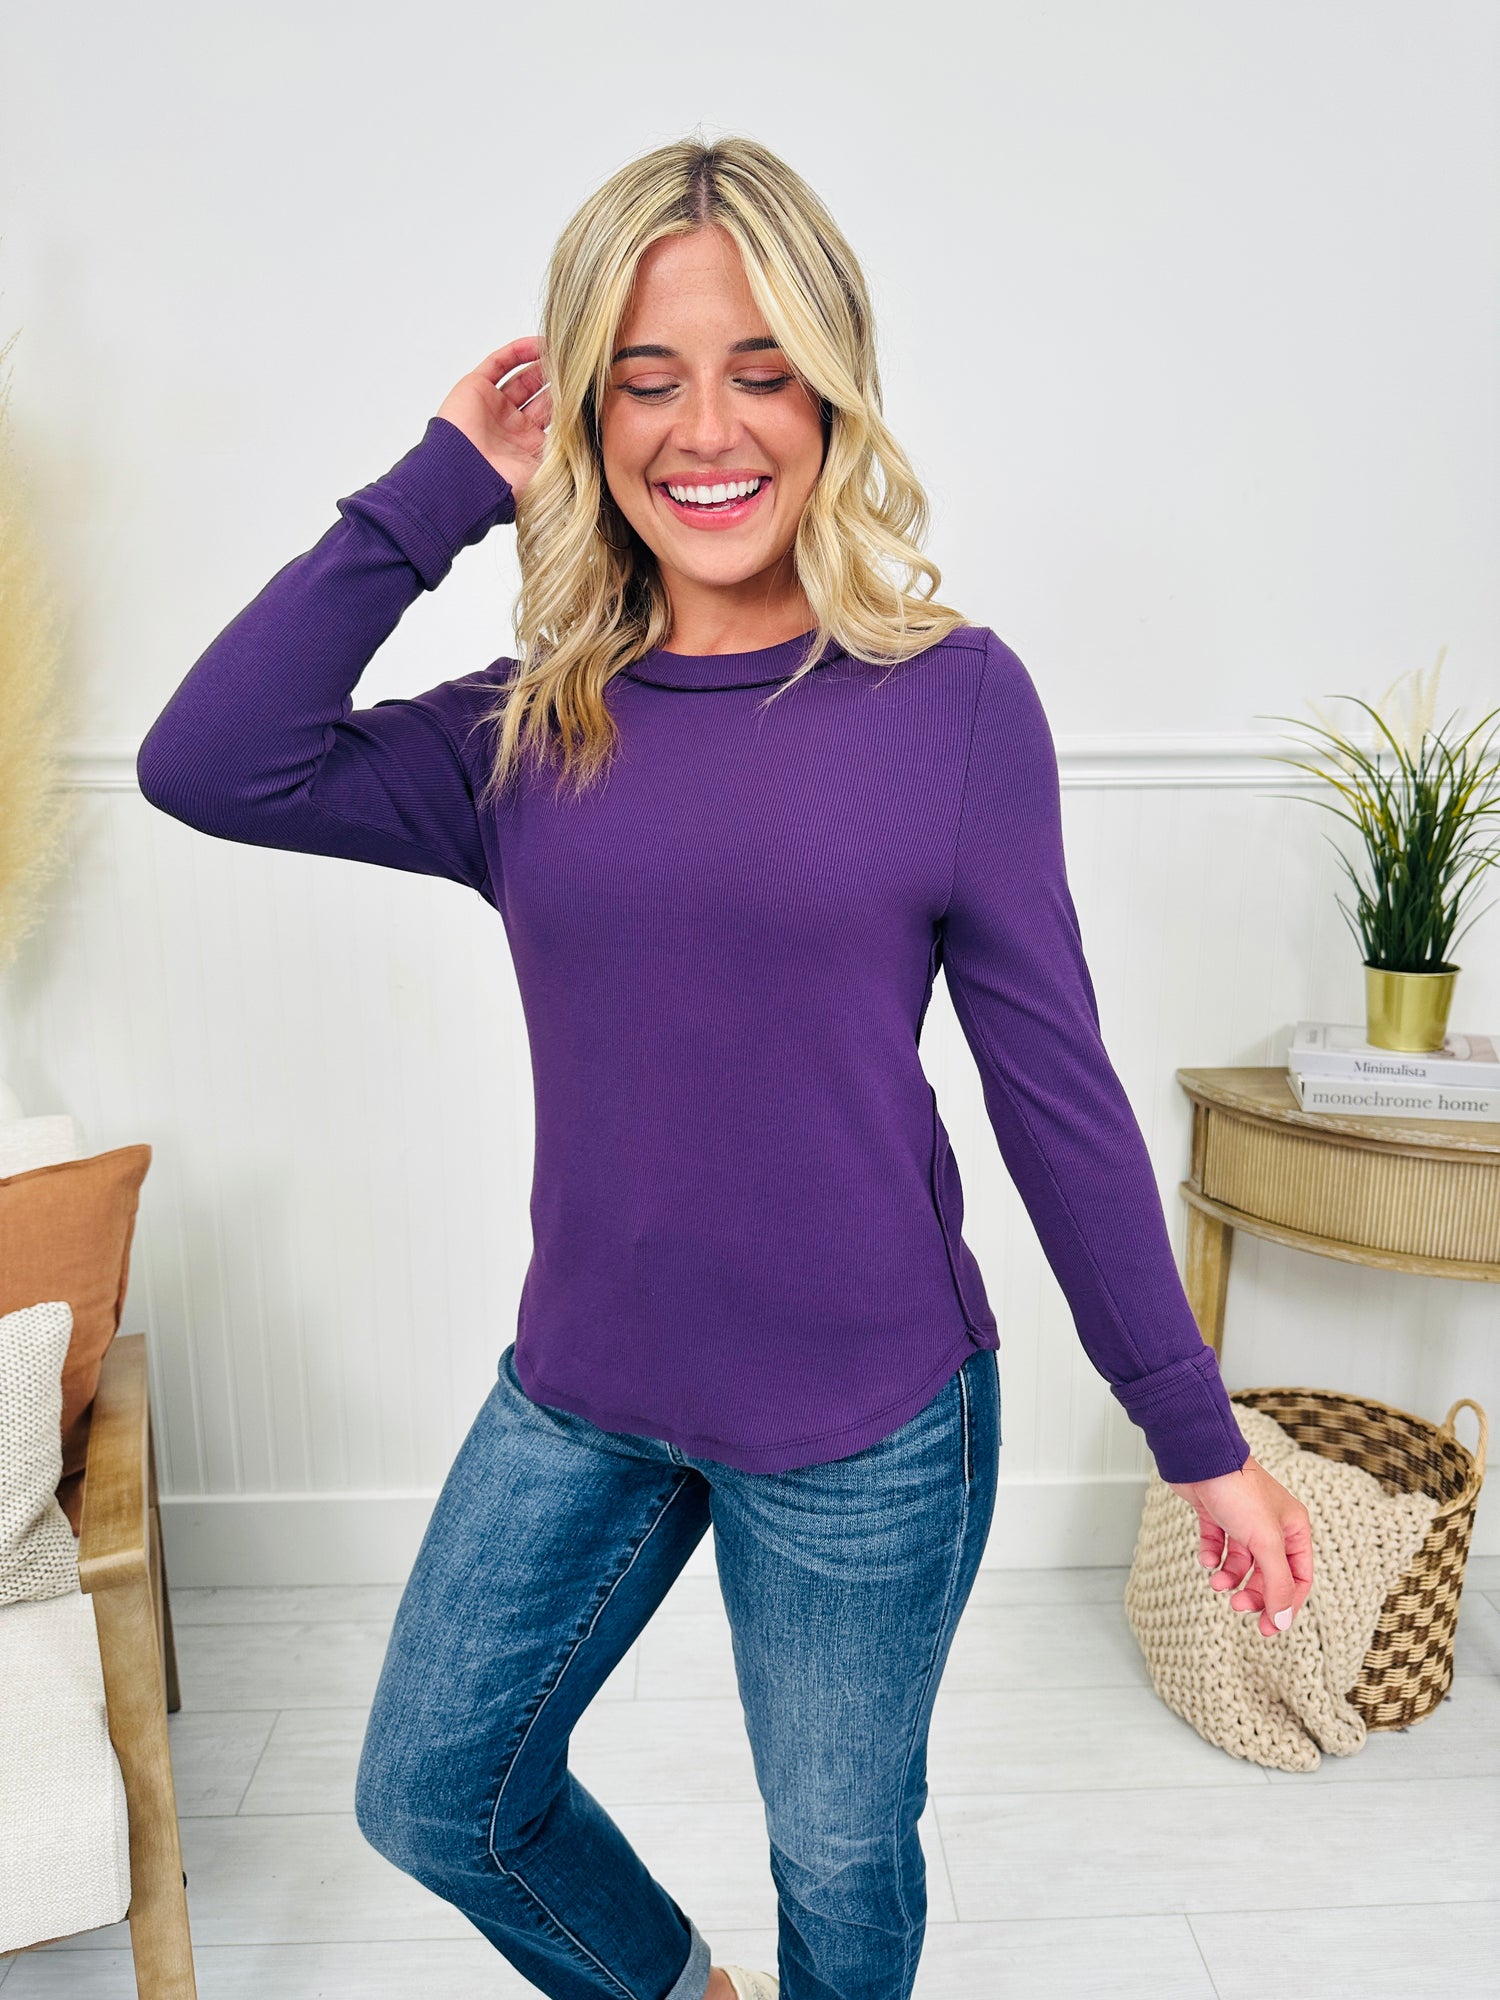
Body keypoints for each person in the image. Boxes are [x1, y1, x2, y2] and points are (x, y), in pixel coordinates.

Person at [136, 133, 1313, 2000]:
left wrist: (1199, 1438)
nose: (708, 430)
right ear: (583, 412)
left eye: (763, 371)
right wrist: (439, 488)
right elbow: (209, 761)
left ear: (833, 393)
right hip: (587, 1387)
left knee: (837, 1856)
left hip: (872, 1417)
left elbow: (1059, 1101)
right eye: (647, 378)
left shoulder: (951, 702)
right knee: (435, 1794)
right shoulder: (530, 729)